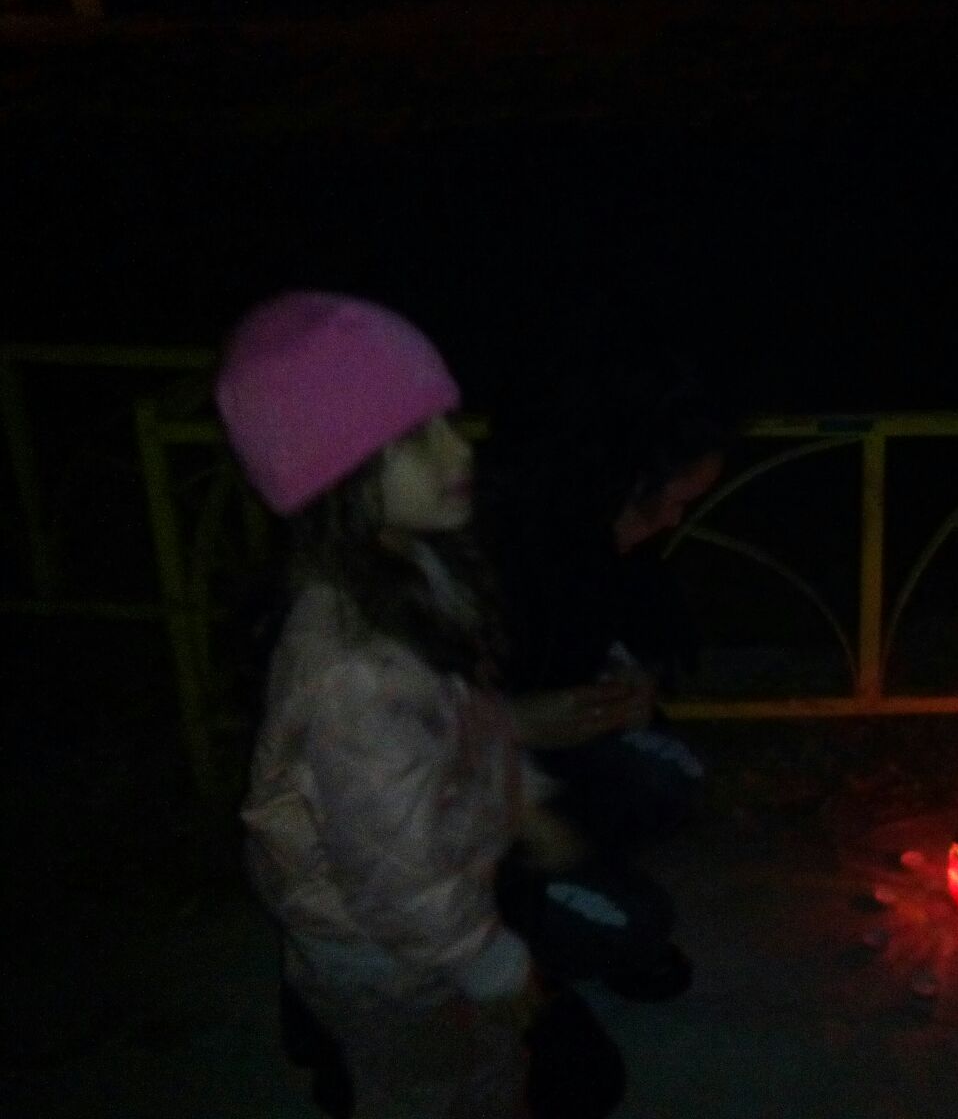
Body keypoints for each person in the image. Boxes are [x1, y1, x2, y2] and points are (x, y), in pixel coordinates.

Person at [216, 291, 584, 1118]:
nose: (460, 447)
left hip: (434, 907)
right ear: (333, 475)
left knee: (491, 1072)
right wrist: (490, 961)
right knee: (433, 1091)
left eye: (447, 420)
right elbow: (392, 871)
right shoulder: (353, 673)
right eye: (416, 436)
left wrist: (525, 803)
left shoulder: (412, 567)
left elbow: (465, 719)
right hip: (389, 955)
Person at [481, 346, 734, 1003]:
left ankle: (558, 888)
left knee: (669, 773)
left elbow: (623, 632)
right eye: (669, 502)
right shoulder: (492, 551)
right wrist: (508, 723)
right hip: (450, 798)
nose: (674, 521)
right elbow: (393, 729)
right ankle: (510, 918)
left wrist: (631, 680)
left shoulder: (598, 546)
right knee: (636, 926)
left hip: (525, 770)